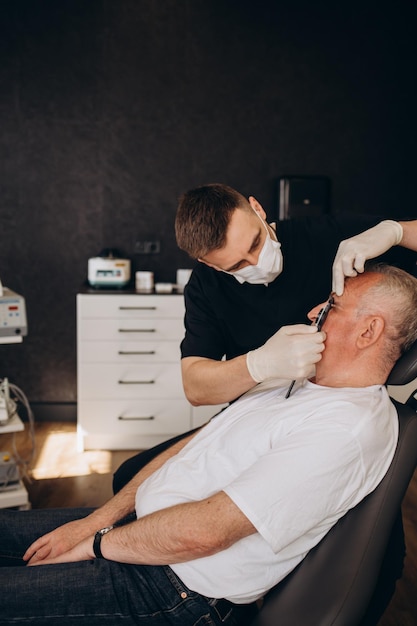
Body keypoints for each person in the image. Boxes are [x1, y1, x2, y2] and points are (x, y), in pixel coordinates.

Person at [1, 265, 417, 626]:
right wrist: (96, 522)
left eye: (331, 306)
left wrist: (94, 546)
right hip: (141, 535)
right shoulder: (294, 379)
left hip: (174, 592)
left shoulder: (346, 430)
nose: (313, 313)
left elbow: (206, 533)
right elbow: (194, 444)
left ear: (369, 330)